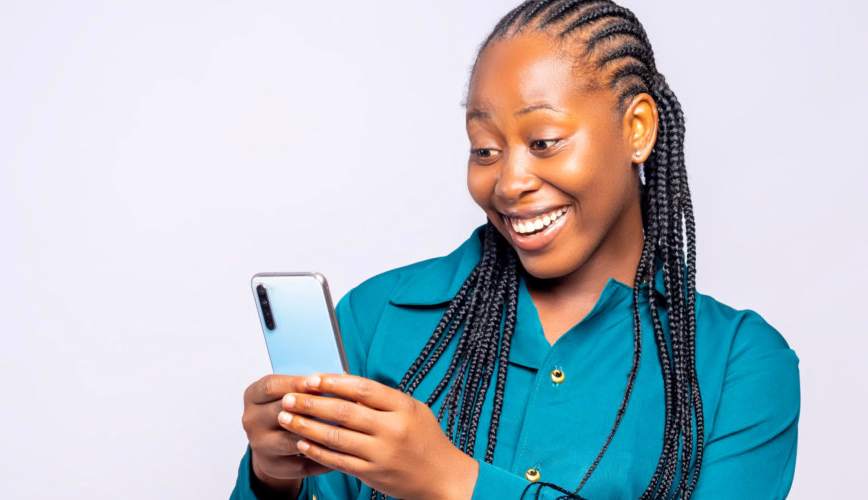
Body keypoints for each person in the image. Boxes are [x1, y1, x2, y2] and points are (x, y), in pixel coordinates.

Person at [233, 1, 799, 498]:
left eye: (544, 142)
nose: (508, 182)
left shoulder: (738, 366)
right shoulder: (374, 319)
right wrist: (271, 479)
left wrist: (452, 481)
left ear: (638, 129)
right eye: (484, 149)